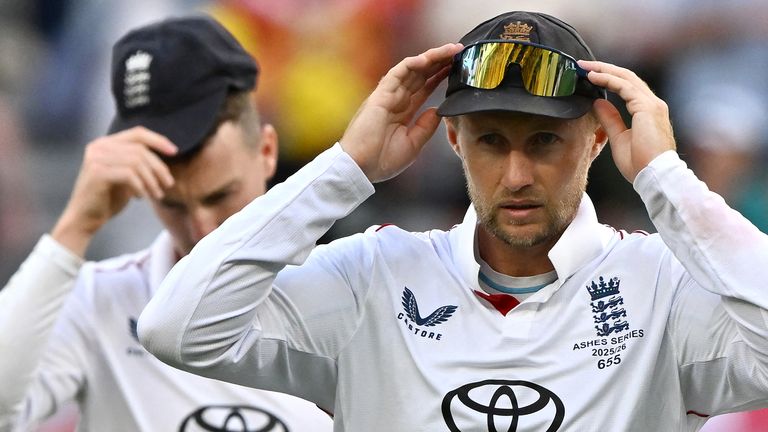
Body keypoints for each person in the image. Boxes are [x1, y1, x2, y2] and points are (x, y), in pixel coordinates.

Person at [138, 11, 768, 431]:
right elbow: (177, 328)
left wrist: (664, 177)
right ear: (453, 142)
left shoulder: (665, 284)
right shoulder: (371, 276)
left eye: (545, 143)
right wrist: (345, 168)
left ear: (598, 140)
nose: (516, 174)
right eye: (491, 140)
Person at [0, 14, 333, 432]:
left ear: (267, 151)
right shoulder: (101, 298)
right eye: (171, 203)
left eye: (220, 195)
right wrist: (75, 226)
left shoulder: (345, 290)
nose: (201, 230)